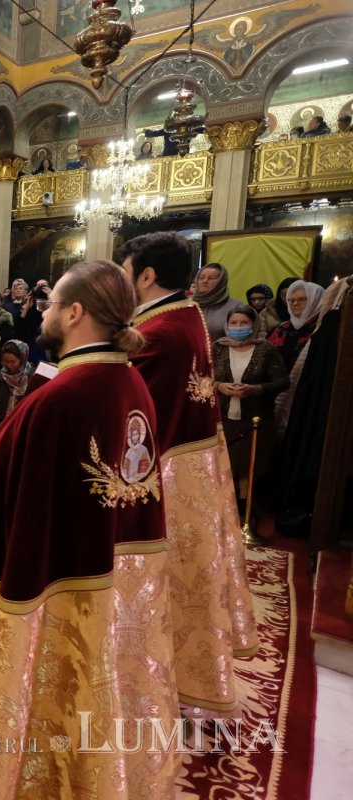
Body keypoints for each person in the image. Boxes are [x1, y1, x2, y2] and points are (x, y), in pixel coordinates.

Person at [0, 260, 178, 799]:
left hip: (57, 591)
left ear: (75, 313)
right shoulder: (129, 380)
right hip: (110, 577)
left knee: (44, 698)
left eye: (53, 306)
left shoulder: (61, 397)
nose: (45, 313)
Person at [118, 232, 256, 714]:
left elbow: (127, 414)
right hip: (194, 465)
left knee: (162, 584)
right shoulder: (185, 314)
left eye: (125, 269)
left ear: (147, 276)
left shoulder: (157, 333)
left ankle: (149, 676)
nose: (122, 278)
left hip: (171, 475)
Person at [213, 305, 288, 512]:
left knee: (249, 467)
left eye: (244, 323)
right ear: (226, 325)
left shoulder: (266, 349)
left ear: (254, 325)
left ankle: (246, 512)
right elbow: (200, 379)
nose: (238, 327)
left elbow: (283, 382)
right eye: (233, 323)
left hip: (255, 418)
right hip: (223, 418)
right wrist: (219, 386)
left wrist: (255, 389)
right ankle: (225, 510)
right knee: (224, 466)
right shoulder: (217, 347)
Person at [267, 279, 323, 372]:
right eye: (291, 300)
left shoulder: (322, 329)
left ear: (316, 300)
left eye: (302, 299)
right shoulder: (279, 329)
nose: (295, 303)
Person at [0, 339, 35, 433]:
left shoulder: (33, 377)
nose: (9, 365)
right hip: (2, 427)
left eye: (13, 361)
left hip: (25, 428)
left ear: (22, 359)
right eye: (5, 361)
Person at [193, 262, 241, 343]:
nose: (205, 281)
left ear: (221, 281)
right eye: (201, 278)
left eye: (211, 278)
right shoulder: (187, 304)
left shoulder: (236, 307)